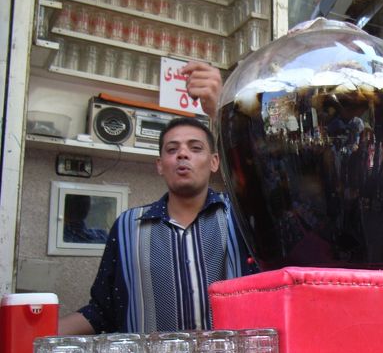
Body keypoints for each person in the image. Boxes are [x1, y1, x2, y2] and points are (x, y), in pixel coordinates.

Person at [59, 63, 256, 334]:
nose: (182, 154)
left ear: (214, 162)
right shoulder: (128, 226)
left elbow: (264, 178)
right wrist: (31, 334)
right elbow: (102, 310)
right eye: (172, 149)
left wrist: (222, 108)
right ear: (160, 165)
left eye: (195, 148)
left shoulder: (239, 217)